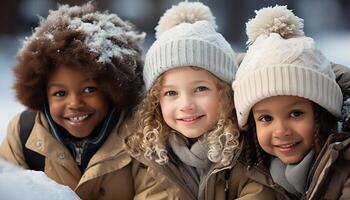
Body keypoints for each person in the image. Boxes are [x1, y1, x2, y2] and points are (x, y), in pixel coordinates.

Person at [124, 1, 275, 199]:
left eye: (200, 89)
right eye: (171, 93)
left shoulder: (247, 148)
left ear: (226, 92)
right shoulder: (150, 150)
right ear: (155, 101)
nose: (186, 105)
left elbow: (259, 193)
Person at [0, 2, 145, 199]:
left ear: (114, 90)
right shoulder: (23, 134)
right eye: (60, 93)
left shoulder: (141, 135)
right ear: (41, 94)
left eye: (89, 89)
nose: (75, 103)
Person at [232, 5, 350, 199]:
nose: (281, 131)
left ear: (321, 111)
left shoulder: (344, 168)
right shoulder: (250, 171)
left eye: (295, 114)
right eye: (266, 118)